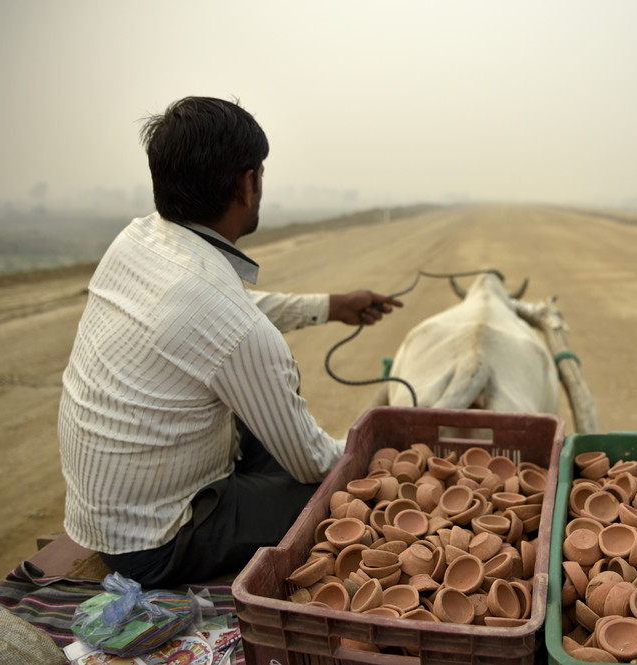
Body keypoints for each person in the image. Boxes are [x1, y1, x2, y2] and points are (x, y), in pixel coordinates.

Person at [58, 96, 402, 587]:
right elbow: (312, 463)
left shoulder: (136, 240)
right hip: (154, 542)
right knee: (341, 498)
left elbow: (215, 317)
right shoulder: (235, 327)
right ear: (248, 183)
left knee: (266, 426)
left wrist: (330, 306)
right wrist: (378, 464)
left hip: (108, 512)